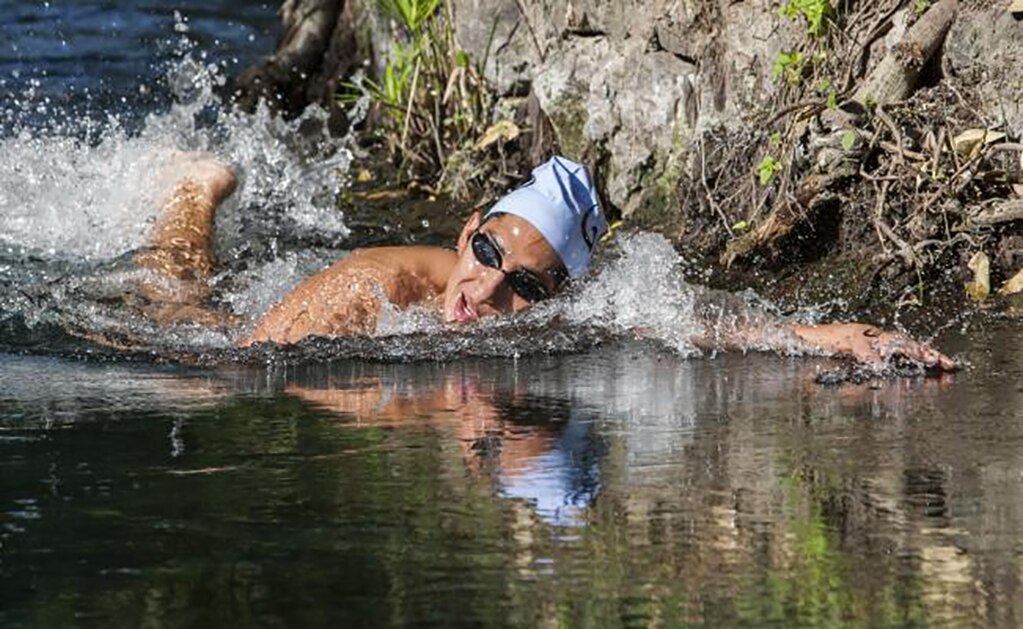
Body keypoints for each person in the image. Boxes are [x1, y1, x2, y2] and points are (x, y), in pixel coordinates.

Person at [136, 153, 956, 370]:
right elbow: (230, 366)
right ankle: (196, 188)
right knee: (177, 309)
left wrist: (849, 338)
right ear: (467, 230)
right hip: (264, 322)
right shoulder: (372, 290)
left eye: (522, 284)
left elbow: (715, 327)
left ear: (560, 293)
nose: (485, 287)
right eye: (486, 253)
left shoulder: (568, 309)